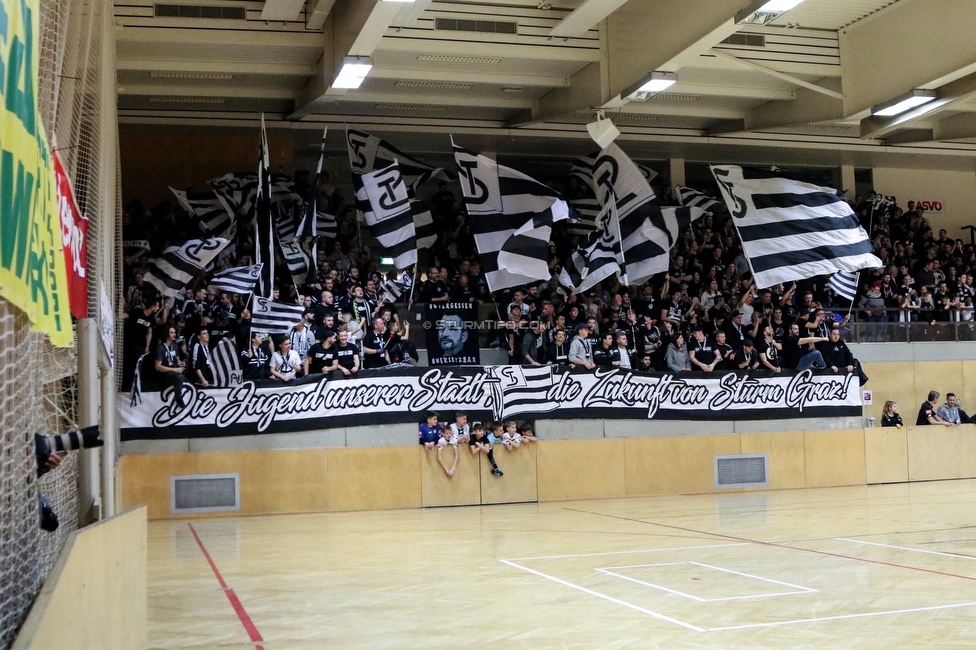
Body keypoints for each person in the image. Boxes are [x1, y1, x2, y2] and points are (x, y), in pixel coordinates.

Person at [154, 326, 186, 407]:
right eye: (172, 333)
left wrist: (181, 363)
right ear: (166, 334)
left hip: (173, 370)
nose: (174, 334)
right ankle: (178, 396)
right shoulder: (160, 348)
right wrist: (175, 370)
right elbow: (157, 367)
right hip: (164, 373)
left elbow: (177, 359)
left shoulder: (175, 346)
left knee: (187, 368)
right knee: (178, 377)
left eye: (174, 333)